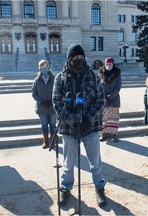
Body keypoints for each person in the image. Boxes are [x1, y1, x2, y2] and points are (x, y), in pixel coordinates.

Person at [52, 43, 107, 207]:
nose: (79, 60)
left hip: (90, 127)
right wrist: (71, 119)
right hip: (69, 129)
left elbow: (101, 100)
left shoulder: (94, 76)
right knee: (68, 163)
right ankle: (65, 188)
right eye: (75, 58)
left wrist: (88, 119)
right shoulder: (59, 78)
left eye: (81, 57)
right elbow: (56, 103)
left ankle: (99, 188)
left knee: (95, 162)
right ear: (69, 59)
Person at [32, 60, 57, 149]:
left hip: (52, 107)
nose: (45, 69)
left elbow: (57, 91)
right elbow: (34, 93)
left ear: (48, 68)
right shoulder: (37, 80)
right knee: (44, 124)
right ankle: (46, 141)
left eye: (46, 67)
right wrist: (41, 101)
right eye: (43, 68)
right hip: (41, 107)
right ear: (40, 69)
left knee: (53, 125)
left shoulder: (54, 79)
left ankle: (53, 141)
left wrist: (52, 101)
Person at [98, 57, 122, 142]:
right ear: (105, 64)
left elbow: (118, 87)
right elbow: (98, 86)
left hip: (114, 99)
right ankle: (103, 134)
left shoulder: (117, 73)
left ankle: (115, 135)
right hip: (103, 100)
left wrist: (110, 96)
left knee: (114, 118)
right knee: (104, 118)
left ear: (113, 64)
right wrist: (103, 96)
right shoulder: (101, 73)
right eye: (107, 64)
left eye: (110, 64)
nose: (108, 65)